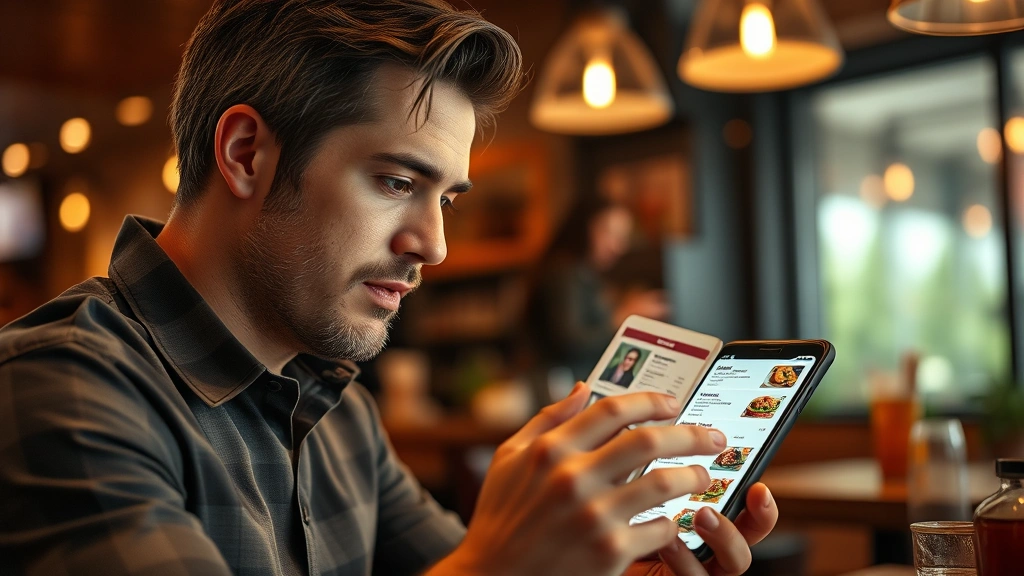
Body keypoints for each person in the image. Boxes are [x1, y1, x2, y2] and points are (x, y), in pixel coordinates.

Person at [0, 2, 778, 575]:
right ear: (245, 155)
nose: (433, 245)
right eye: (397, 182)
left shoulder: (340, 416)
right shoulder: (57, 389)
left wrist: (603, 567)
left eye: (446, 200)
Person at [535, 198, 670, 381]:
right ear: (584, 227)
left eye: (623, 238)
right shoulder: (565, 273)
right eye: (609, 233)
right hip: (563, 384)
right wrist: (623, 315)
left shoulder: (586, 274)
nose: (618, 247)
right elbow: (571, 342)